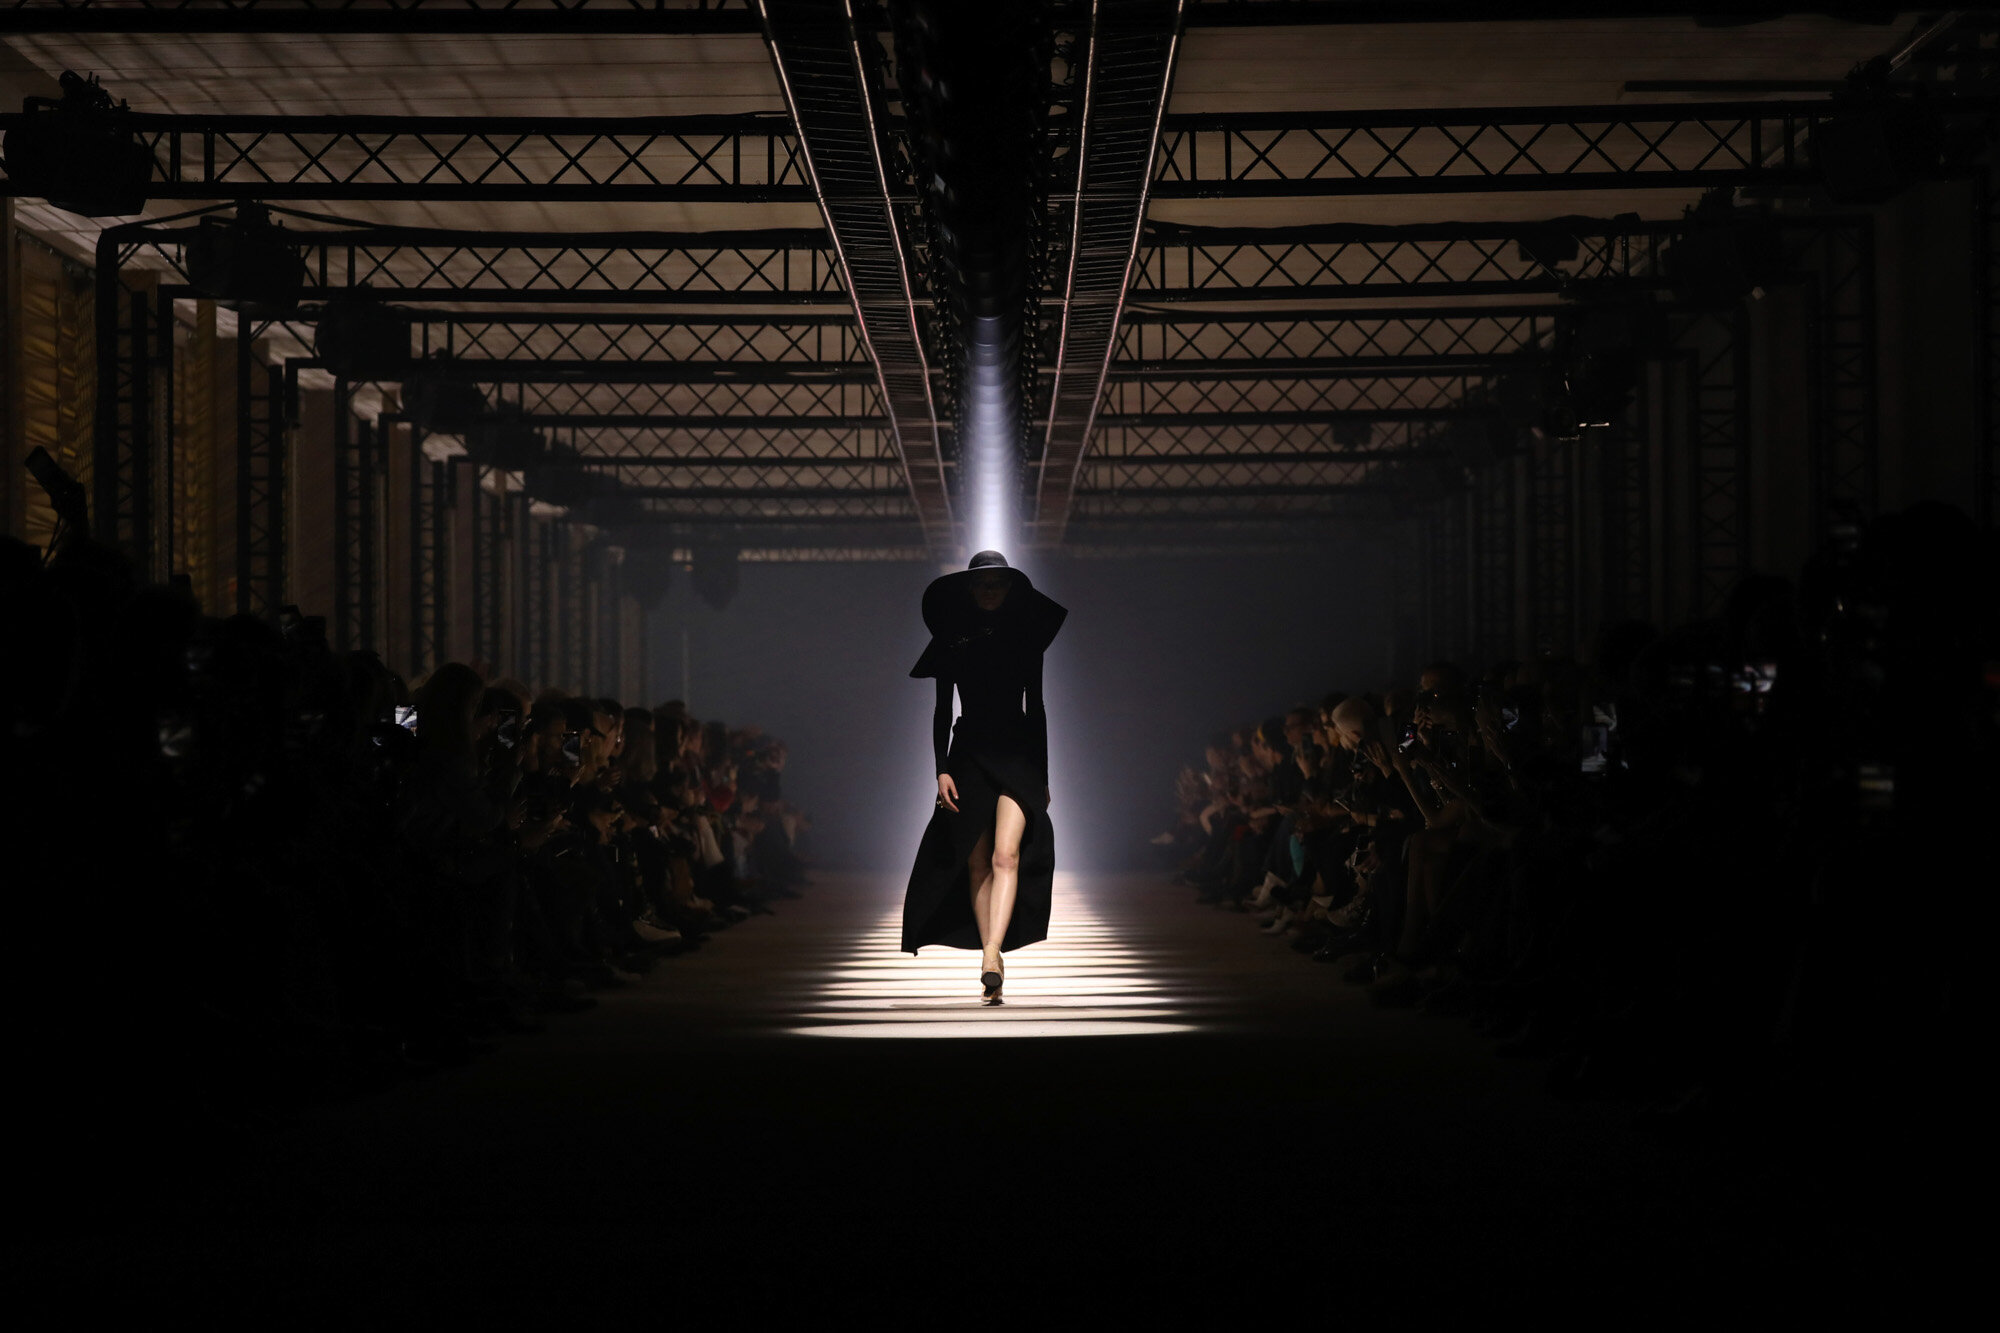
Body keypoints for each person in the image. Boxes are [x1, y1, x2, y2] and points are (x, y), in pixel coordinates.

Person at [901, 550, 1067, 1003]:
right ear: (970, 590)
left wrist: (1043, 773)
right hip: (969, 752)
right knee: (975, 862)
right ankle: (991, 953)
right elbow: (941, 710)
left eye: (997, 583)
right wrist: (940, 770)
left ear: (1009, 588)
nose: (990, 591)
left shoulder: (1027, 638)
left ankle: (990, 953)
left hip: (1017, 752)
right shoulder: (953, 640)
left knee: (1005, 856)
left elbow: (1037, 707)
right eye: (982, 584)